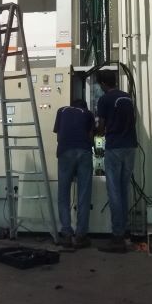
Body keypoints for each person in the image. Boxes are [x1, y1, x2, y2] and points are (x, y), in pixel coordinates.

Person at [96, 69, 137, 253]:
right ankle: (124, 232)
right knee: (123, 189)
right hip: (130, 147)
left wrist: (96, 132)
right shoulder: (127, 97)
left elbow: (101, 127)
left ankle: (117, 237)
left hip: (114, 147)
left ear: (104, 84)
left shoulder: (104, 99)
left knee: (113, 191)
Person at [53, 98, 94, 249]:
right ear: (84, 107)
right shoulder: (88, 114)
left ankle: (66, 234)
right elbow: (91, 138)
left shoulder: (62, 110)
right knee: (83, 195)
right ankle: (81, 236)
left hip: (65, 151)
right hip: (84, 152)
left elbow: (59, 137)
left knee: (63, 194)